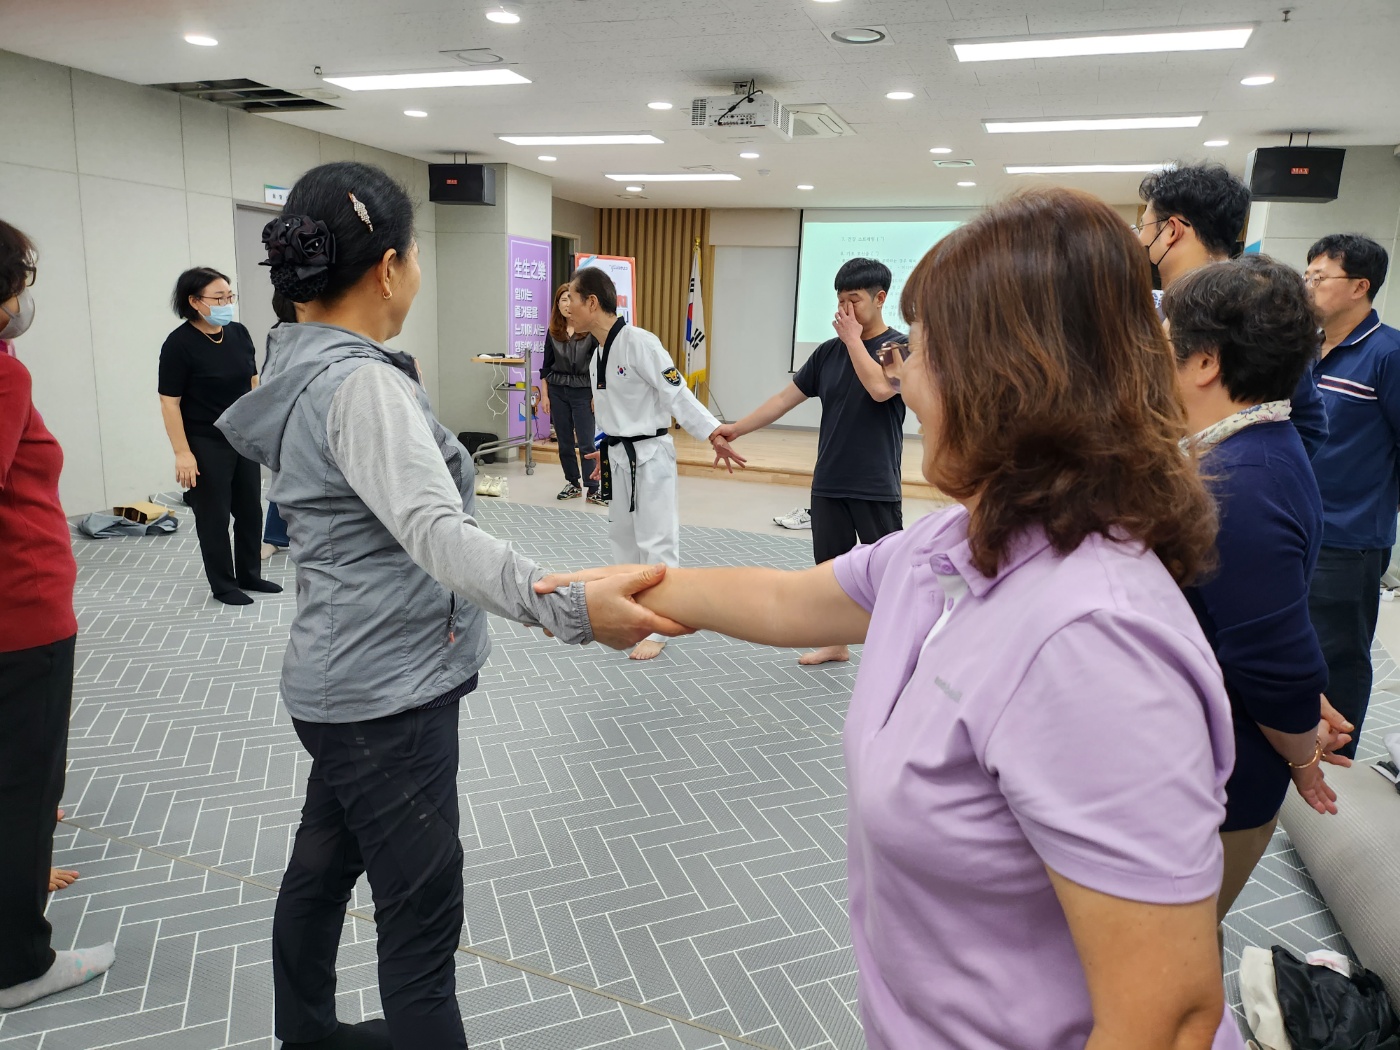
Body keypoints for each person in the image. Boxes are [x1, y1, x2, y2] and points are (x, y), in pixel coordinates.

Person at [540, 188, 1247, 1050]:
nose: (903, 375)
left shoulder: (1094, 643)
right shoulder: (955, 542)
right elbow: (784, 600)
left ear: (1011, 376)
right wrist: (603, 591)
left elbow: (1167, 1022)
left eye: (921, 350)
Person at [215, 161, 685, 1050]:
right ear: (390, 267)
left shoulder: (297, 360)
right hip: (388, 695)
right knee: (421, 913)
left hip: (337, 680)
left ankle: (307, 1034)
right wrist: (571, 607)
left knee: (323, 865)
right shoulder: (361, 386)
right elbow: (437, 532)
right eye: (418, 256)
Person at [1162, 255, 1352, 926]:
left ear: (1205, 361)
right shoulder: (1247, 449)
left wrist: (1303, 756)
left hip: (1221, 771)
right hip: (1206, 747)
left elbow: (1276, 663)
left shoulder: (1240, 480)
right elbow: (1252, 615)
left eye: (1164, 341)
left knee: (1173, 956)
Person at [0, 219, 116, 1010]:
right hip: (20, 613)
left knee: (19, 786)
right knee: (23, 787)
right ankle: (18, 964)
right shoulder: (3, 377)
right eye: (19, 284)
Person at [713, 258, 905, 665]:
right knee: (829, 571)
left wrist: (853, 341)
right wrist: (737, 428)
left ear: (880, 298)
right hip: (830, 478)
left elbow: (879, 389)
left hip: (875, 482)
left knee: (888, 571)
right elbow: (785, 398)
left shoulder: (897, 348)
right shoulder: (827, 353)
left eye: (854, 300)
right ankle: (836, 643)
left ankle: (900, 649)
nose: (845, 310)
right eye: (840, 301)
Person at [566, 265, 746, 661]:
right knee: (623, 538)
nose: (566, 308)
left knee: (656, 539)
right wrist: (603, 450)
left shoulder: (640, 344)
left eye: (571, 300)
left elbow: (676, 394)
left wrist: (713, 433)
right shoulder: (597, 354)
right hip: (618, 456)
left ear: (591, 302)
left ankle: (663, 626)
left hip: (650, 456)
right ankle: (631, 613)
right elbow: (614, 413)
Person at [1137, 163, 1328, 457]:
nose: (1140, 239)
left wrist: (1234, 472)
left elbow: (1306, 422)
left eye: (1144, 227)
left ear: (1171, 230)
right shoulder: (1151, 309)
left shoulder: (1257, 309)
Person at [1304, 233, 1400, 758]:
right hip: (1298, 524)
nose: (1309, 285)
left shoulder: (1389, 354)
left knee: (1337, 655)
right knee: (1296, 646)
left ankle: (1336, 762)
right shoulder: (1306, 348)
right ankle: (1296, 752)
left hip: (1349, 538)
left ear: (1360, 287)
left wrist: (1375, 501)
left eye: (1320, 277)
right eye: (1307, 275)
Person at [158, 267, 281, 605]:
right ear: (194, 301)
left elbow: (252, 382)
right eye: (218, 298)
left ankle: (249, 575)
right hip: (205, 441)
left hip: (241, 436)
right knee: (214, 516)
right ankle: (224, 585)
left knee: (250, 510)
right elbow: (169, 403)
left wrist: (260, 426)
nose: (227, 303)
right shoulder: (179, 344)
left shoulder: (238, 333)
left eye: (229, 296)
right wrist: (183, 453)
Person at [539, 282, 603, 504]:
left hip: (584, 391)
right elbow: (546, 367)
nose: (567, 304)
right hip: (557, 391)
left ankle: (593, 488)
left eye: (570, 299)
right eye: (563, 300)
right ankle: (573, 483)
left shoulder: (590, 331)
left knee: (586, 442)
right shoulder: (553, 332)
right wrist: (545, 395)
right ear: (557, 305)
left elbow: (600, 366)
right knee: (564, 441)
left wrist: (597, 395)